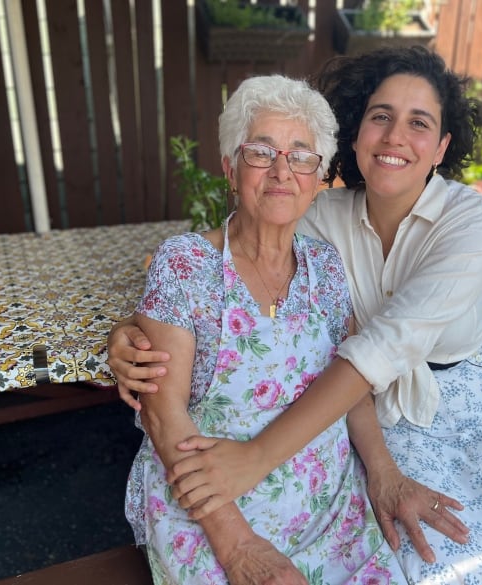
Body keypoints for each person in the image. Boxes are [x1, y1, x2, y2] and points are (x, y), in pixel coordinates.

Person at [110, 46, 482, 584]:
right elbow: (190, 277)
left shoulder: (468, 224)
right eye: (380, 117)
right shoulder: (314, 220)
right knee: (426, 561)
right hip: (305, 442)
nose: (283, 171)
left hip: (457, 406)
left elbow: (375, 352)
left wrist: (279, 460)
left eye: (419, 123)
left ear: (442, 145)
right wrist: (128, 331)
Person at [124, 74, 419, 585]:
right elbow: (162, 415)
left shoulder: (325, 267)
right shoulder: (186, 264)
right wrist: (239, 549)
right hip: (213, 510)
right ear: (230, 168)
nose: (282, 170)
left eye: (302, 155)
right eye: (261, 151)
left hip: (330, 510)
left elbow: (349, 391)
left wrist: (383, 476)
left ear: (319, 177)